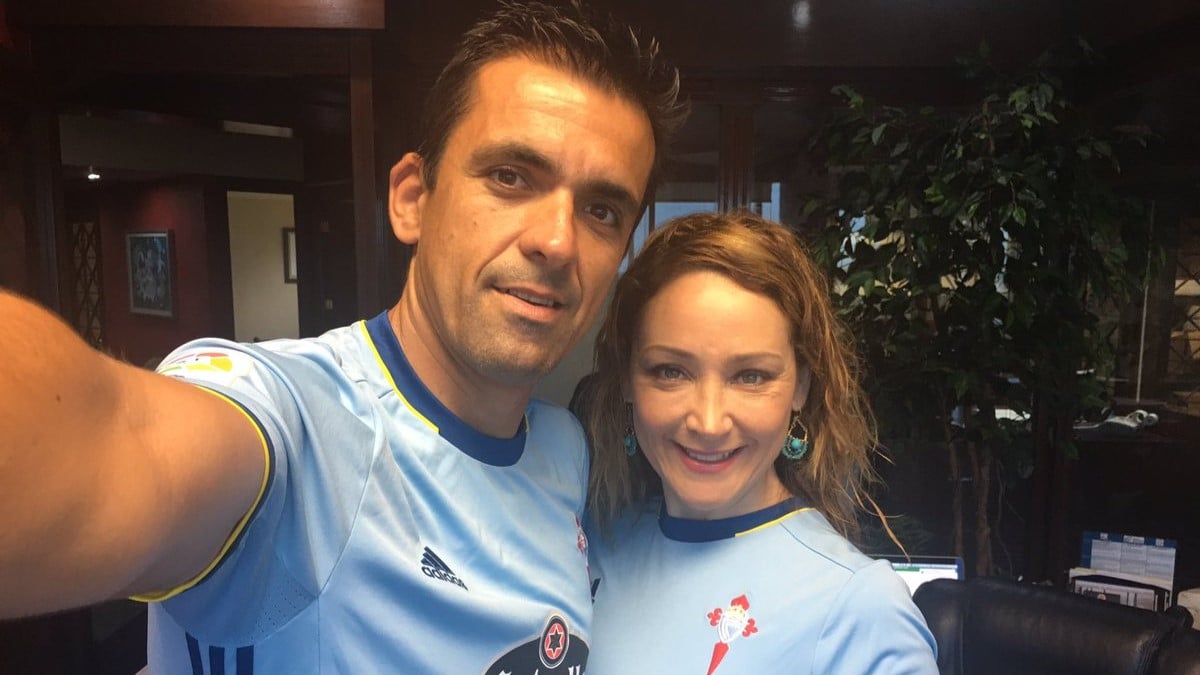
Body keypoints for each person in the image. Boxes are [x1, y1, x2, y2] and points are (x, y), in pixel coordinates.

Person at [0, 2, 685, 672]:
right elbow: (114, 437)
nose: (558, 241)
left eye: (602, 210)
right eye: (510, 176)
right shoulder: (300, 431)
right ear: (412, 199)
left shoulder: (564, 449)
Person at [584, 211, 938, 674]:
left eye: (750, 376)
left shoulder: (858, 609)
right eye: (671, 371)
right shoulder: (592, 547)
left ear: (801, 388)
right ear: (628, 380)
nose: (709, 422)